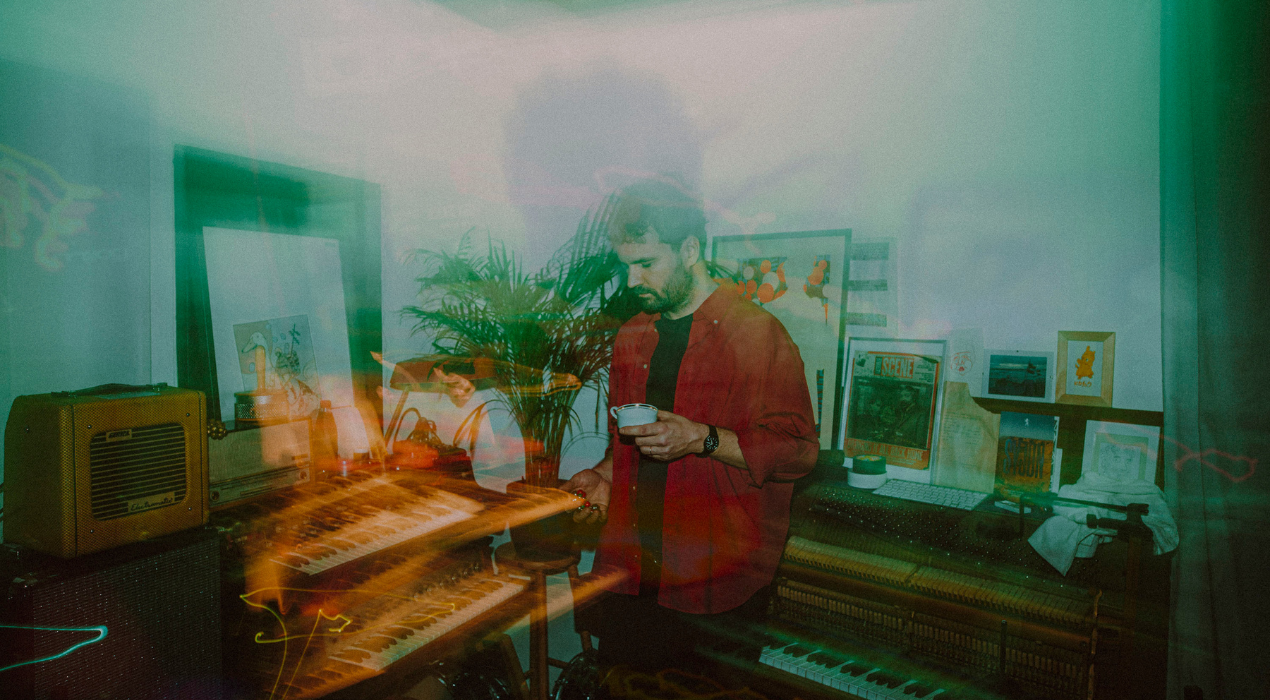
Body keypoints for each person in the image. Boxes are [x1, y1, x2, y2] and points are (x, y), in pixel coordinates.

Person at [561, 178, 818, 676]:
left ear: (690, 249)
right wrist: (603, 476)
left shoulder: (757, 334)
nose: (632, 280)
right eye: (626, 265)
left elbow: (798, 451)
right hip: (632, 575)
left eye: (646, 263)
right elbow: (624, 445)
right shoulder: (632, 335)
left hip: (714, 584)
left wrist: (702, 438)